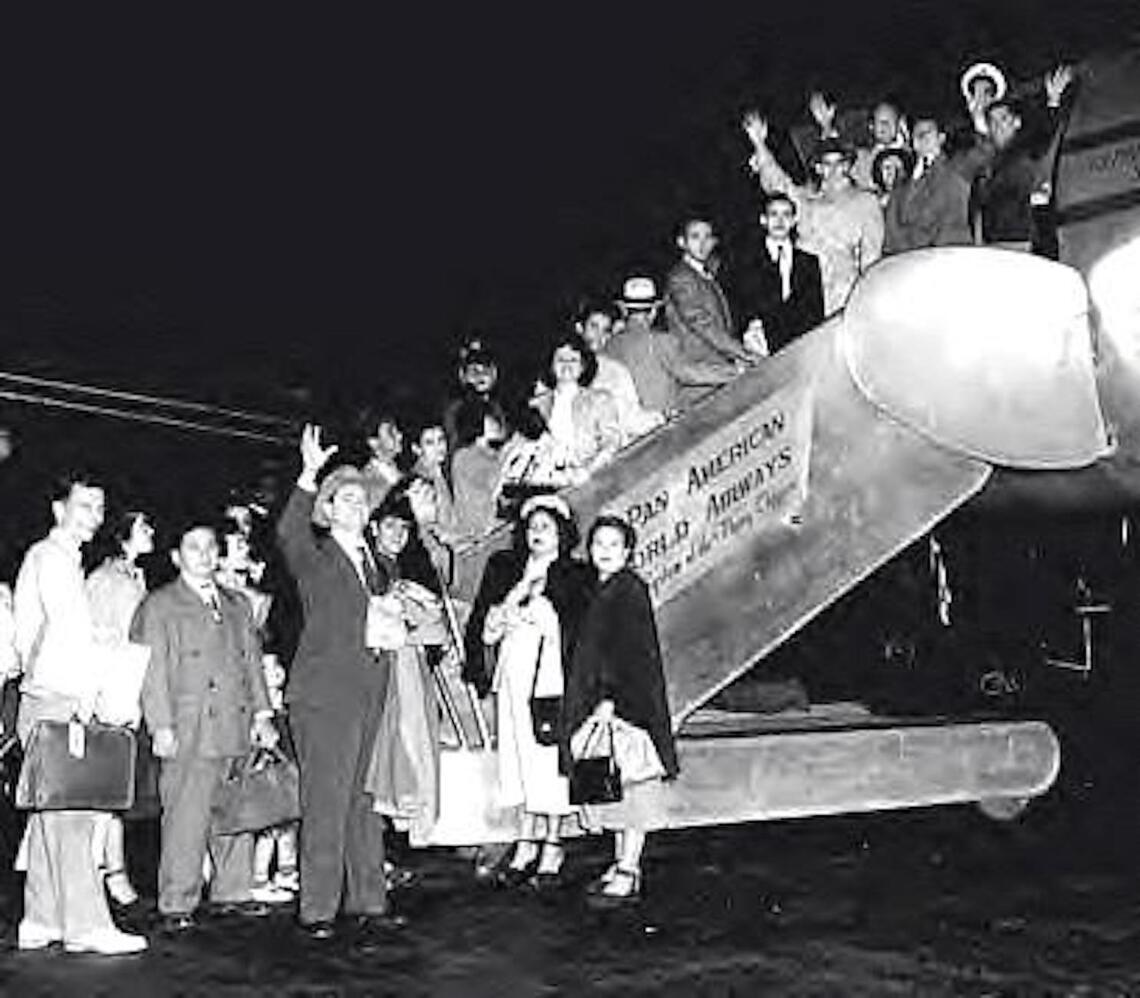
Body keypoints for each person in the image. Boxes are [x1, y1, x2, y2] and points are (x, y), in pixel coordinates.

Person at [275, 425, 403, 942]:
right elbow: (287, 533)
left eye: (360, 498)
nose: (354, 504)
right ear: (327, 508)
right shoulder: (317, 555)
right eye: (343, 498)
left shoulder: (377, 562)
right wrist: (307, 475)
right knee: (326, 799)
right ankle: (318, 911)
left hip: (370, 688)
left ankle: (369, 899)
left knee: (363, 798)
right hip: (325, 695)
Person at [13, 470, 148, 954]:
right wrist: (102, 698)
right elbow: (70, 639)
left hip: (43, 697)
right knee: (75, 815)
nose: (95, 516)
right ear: (59, 509)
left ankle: (42, 917)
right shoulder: (52, 559)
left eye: (99, 507)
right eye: (85, 505)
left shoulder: (56, 559)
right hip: (61, 698)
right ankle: (87, 926)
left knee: (53, 812)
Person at [133, 518, 277, 933]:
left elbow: (252, 663)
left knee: (236, 811)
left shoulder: (236, 604)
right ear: (176, 557)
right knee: (185, 816)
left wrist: (263, 715)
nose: (205, 555)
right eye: (194, 547)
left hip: (235, 722)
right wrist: (160, 724)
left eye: (211, 547)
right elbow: (151, 671)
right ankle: (177, 900)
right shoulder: (159, 605)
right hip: (188, 725)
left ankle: (233, 892)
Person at [463, 494, 592, 887]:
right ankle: (526, 837)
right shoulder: (503, 567)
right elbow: (484, 621)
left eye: (546, 527)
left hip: (552, 676)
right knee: (518, 758)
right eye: (532, 527)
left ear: (562, 534)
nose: (538, 534)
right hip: (514, 673)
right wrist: (504, 611)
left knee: (547, 760)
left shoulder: (576, 574)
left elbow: (580, 632)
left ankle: (552, 841)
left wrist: (545, 616)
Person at [563, 515, 679, 905]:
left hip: (624, 709)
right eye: (598, 544)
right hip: (605, 705)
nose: (605, 551)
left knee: (632, 788)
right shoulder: (602, 588)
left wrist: (611, 699)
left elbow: (631, 653)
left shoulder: (628, 589)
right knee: (614, 785)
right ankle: (620, 862)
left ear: (628, 551)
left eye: (614, 545)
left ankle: (629, 868)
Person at [85, 509, 156, 909]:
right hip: (111, 697)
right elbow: (101, 641)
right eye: (143, 526)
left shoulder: (134, 577)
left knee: (118, 792)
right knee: (101, 792)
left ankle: (115, 870)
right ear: (122, 533)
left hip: (131, 694)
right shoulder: (105, 580)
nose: (151, 532)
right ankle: (98, 874)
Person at [744, 116, 884, 315]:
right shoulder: (806, 198)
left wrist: (866, 297)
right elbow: (779, 183)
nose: (834, 169)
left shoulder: (865, 201)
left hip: (842, 288)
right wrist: (759, 144)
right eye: (826, 164)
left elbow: (871, 257)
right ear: (818, 168)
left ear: (848, 165)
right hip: (803, 285)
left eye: (840, 163)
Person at [607, 276, 737, 419]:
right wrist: (737, 372)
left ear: (624, 310)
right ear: (654, 312)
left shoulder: (609, 346)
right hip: (661, 428)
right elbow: (692, 374)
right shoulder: (660, 341)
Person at [663, 217, 754, 403]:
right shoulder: (682, 277)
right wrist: (745, 353)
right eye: (695, 237)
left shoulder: (705, 275)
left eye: (708, 237)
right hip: (699, 376)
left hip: (717, 373)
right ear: (682, 242)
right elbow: (703, 324)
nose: (703, 244)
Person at [735, 192, 825, 356]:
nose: (780, 221)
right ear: (763, 220)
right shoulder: (747, 261)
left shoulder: (809, 262)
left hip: (799, 347)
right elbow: (742, 305)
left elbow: (815, 312)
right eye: (773, 214)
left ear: (794, 221)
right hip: (760, 346)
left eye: (786, 215)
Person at [529, 332, 622, 487]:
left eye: (573, 360)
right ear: (551, 365)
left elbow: (611, 443)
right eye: (560, 359)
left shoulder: (600, 400)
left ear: (583, 365)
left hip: (588, 483)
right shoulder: (536, 405)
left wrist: (587, 470)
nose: (566, 365)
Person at [882, 113, 972, 254]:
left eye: (926, 132)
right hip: (905, 260)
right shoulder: (904, 177)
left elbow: (982, 154)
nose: (920, 136)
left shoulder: (956, 169)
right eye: (916, 134)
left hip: (942, 257)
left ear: (941, 138)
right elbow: (893, 227)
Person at [575, 302, 663, 445]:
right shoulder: (559, 369)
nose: (599, 336)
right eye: (594, 326)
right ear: (579, 328)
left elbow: (631, 418)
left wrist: (661, 417)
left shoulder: (616, 371)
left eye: (606, 330)